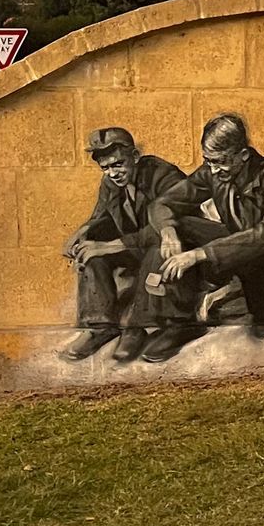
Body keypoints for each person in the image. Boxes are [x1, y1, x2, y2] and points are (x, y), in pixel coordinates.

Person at [137, 113, 264, 363]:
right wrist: (168, 232)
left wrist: (199, 254)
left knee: (262, 320)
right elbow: (162, 204)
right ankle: (181, 323)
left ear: (243, 155)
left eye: (221, 161)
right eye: (208, 161)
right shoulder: (214, 173)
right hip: (237, 249)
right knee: (180, 225)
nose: (213, 169)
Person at [57, 127, 186, 363]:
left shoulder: (164, 175)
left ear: (135, 157)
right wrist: (81, 233)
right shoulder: (110, 183)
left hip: (173, 251)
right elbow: (102, 215)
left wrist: (109, 246)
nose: (112, 173)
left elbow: (171, 227)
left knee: (152, 252)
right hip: (137, 248)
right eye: (105, 167)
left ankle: (137, 327)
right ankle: (101, 325)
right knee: (91, 254)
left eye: (118, 164)